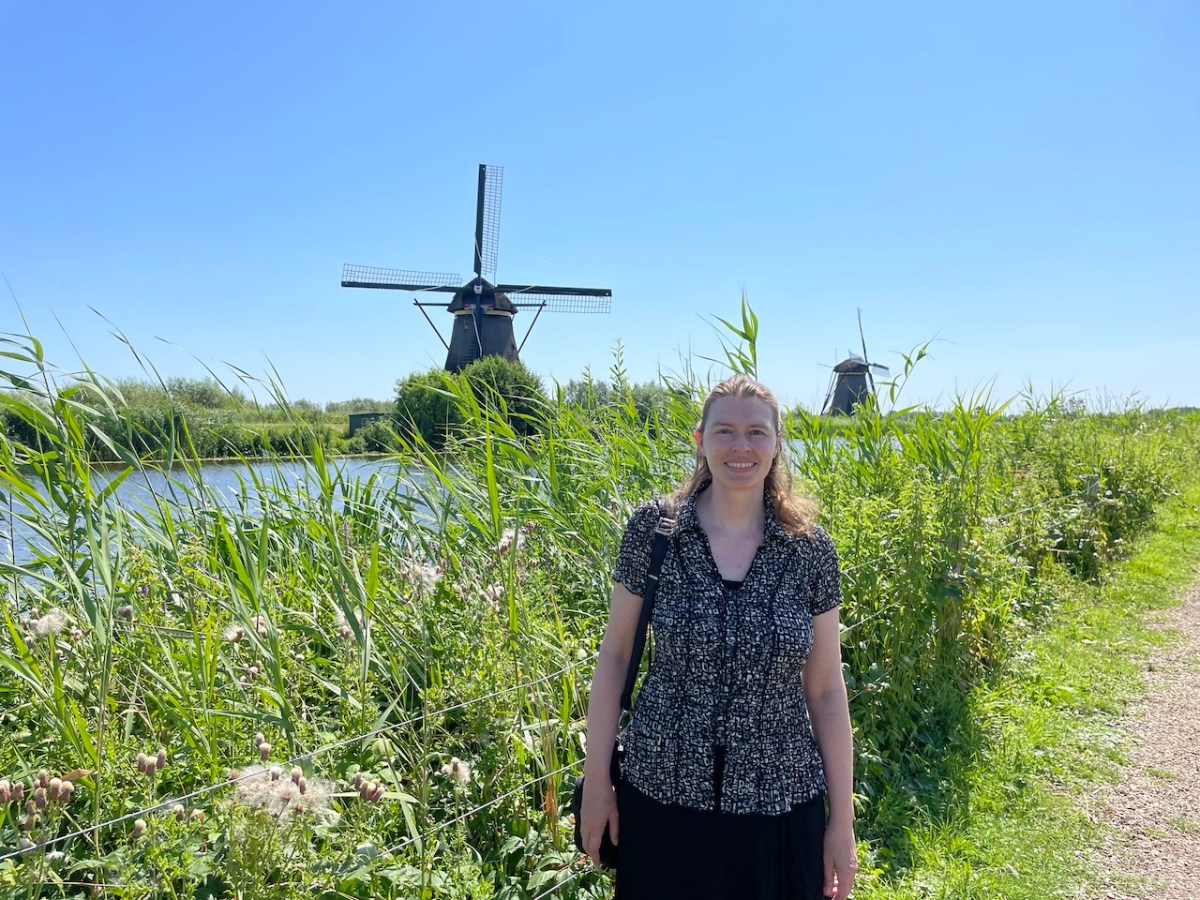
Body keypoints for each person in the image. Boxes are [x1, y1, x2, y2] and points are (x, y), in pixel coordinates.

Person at [580, 374, 857, 899]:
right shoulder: (654, 531)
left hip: (779, 804)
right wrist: (598, 783)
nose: (740, 446)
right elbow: (615, 658)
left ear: (777, 443)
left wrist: (841, 823)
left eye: (756, 432)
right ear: (700, 440)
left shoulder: (811, 550)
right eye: (725, 430)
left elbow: (824, 690)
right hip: (662, 800)